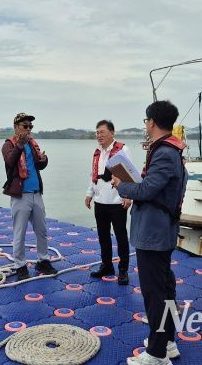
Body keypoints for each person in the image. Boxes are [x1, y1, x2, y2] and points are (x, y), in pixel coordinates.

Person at [112, 100, 187, 365]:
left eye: (146, 121)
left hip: (154, 232)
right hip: (161, 230)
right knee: (165, 287)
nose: (145, 125)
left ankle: (156, 354)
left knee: (155, 293)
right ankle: (167, 342)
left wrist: (121, 185)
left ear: (152, 122)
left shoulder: (164, 152)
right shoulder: (171, 149)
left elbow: (146, 190)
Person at [1, 112, 57, 280]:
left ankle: (43, 260)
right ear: (16, 127)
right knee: (20, 233)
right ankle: (20, 265)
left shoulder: (32, 144)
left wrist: (44, 159)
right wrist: (19, 145)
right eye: (25, 126)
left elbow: (39, 166)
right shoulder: (8, 145)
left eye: (30, 126)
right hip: (20, 196)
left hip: (36, 194)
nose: (28, 129)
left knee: (42, 230)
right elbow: (10, 162)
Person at [85, 119, 132, 285]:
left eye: (102, 132)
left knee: (121, 237)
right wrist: (89, 194)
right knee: (103, 236)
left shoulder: (122, 149)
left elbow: (129, 174)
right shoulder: (97, 152)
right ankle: (107, 265)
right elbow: (93, 175)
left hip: (117, 201)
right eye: (97, 132)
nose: (99, 135)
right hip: (100, 201)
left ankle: (123, 270)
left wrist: (128, 196)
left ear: (112, 133)